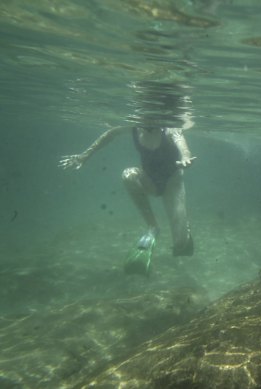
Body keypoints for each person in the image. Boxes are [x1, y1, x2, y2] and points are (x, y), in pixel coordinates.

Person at [59, 87, 196, 272]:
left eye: (153, 114)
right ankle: (152, 227)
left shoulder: (170, 128)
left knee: (181, 245)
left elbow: (182, 144)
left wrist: (186, 157)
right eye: (145, 113)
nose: (149, 118)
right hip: (149, 179)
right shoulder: (133, 126)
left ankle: (184, 233)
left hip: (172, 181)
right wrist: (85, 155)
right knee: (128, 175)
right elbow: (109, 135)